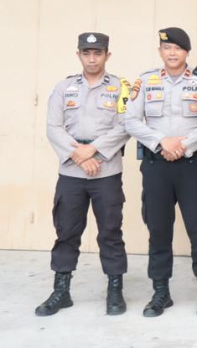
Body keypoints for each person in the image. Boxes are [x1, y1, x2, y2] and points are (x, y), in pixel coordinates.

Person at [124, 27, 197, 317]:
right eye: (167, 48)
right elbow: (129, 119)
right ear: (160, 52)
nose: (172, 53)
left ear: (187, 52)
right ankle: (160, 292)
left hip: (192, 165)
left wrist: (184, 145)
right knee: (158, 229)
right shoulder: (144, 81)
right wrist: (159, 142)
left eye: (178, 48)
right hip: (157, 165)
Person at [36, 32, 131, 317]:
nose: (92, 58)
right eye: (87, 53)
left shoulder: (119, 88)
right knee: (66, 231)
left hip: (106, 171)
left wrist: (95, 152)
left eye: (98, 53)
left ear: (107, 55)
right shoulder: (64, 87)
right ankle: (61, 291)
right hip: (71, 172)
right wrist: (78, 155)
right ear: (78, 54)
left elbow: (126, 125)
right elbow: (53, 127)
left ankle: (115, 290)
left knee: (111, 233)